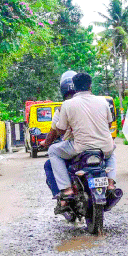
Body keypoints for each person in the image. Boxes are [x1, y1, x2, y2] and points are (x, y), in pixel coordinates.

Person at [47, 72, 116, 208]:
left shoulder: (67, 104)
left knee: (53, 151)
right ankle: (111, 183)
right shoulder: (103, 101)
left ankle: (67, 189)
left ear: (75, 87)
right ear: (90, 85)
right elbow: (109, 124)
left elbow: (60, 130)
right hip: (104, 147)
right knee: (112, 152)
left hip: (81, 148)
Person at [39, 70, 77, 198]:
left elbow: (55, 132)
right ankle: (110, 183)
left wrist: (46, 142)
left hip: (75, 146)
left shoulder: (63, 108)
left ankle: (64, 194)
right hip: (97, 145)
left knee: (50, 158)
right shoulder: (95, 103)